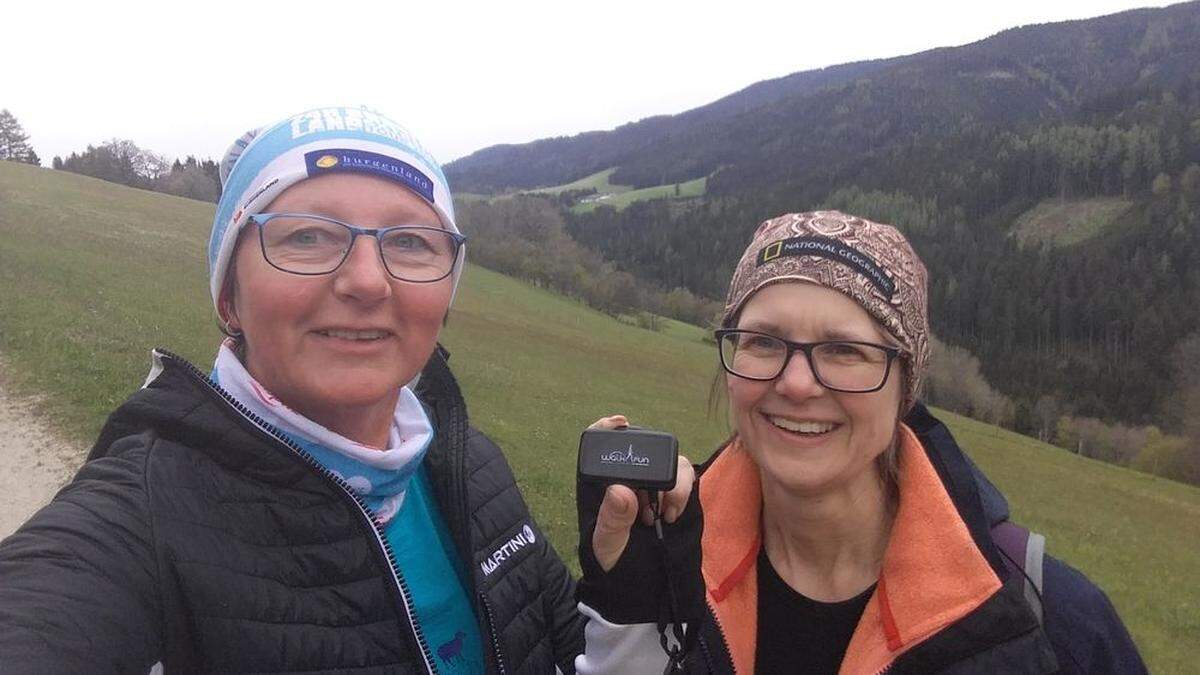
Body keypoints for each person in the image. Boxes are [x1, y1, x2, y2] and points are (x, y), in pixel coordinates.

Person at [0, 105, 696, 674]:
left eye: (411, 243)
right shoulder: (136, 523)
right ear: (228, 299)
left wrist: (627, 600)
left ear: (444, 298)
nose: (367, 280)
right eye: (306, 236)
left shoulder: (467, 464)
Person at [575, 210, 1147, 673]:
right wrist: (627, 629)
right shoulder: (663, 559)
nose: (795, 384)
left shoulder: (1051, 624)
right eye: (764, 342)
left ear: (905, 388)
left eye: (845, 350)